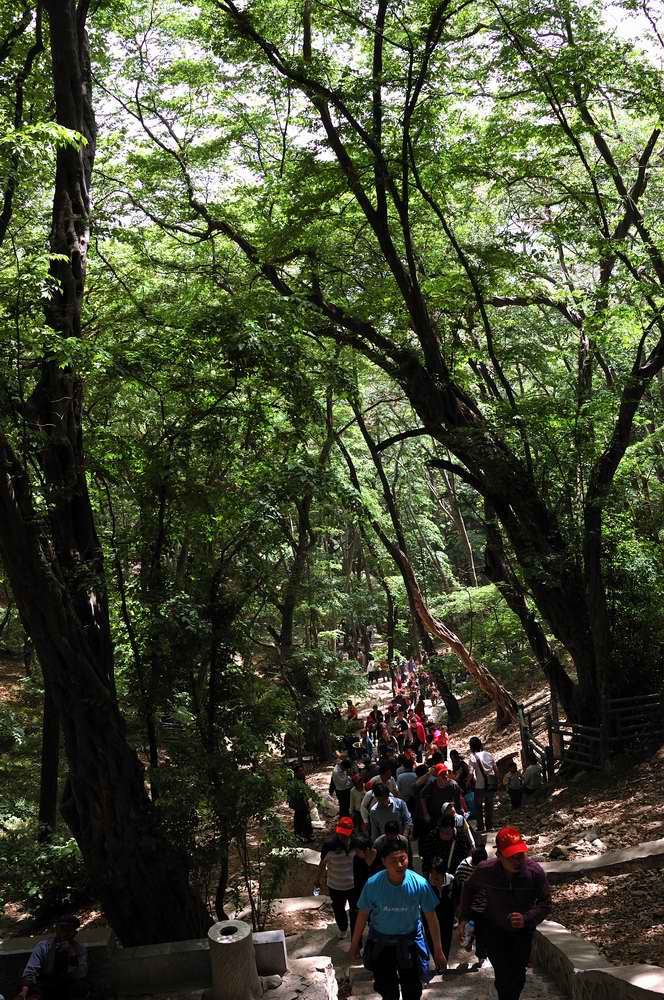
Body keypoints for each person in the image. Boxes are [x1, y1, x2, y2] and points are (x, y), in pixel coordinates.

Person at [459, 827, 551, 1000]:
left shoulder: (534, 873)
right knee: (502, 973)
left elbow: (546, 903)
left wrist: (527, 918)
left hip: (522, 932)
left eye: (520, 855)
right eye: (511, 857)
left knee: (518, 974)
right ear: (499, 855)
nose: (517, 861)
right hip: (494, 929)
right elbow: (469, 886)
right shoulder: (486, 870)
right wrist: (464, 917)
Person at [350, 837, 446, 1000]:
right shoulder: (373, 885)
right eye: (393, 861)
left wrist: (438, 950)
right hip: (382, 944)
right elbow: (362, 915)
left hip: (410, 944)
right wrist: (354, 945)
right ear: (383, 861)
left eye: (403, 859)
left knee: (413, 991)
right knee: (388, 991)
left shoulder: (420, 884)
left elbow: (431, 917)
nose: (400, 865)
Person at [19, 915, 90, 1000]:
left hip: (69, 985)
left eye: (69, 930)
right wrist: (24, 992)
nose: (64, 933)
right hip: (46, 984)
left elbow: (81, 974)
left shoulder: (79, 949)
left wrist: (72, 954)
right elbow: (31, 970)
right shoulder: (43, 946)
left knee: (81, 988)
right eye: (62, 929)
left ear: (74, 933)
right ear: (57, 930)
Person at [316, 817, 359, 939]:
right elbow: (322, 863)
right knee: (339, 910)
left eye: (345, 834)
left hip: (353, 885)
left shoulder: (357, 844)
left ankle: (356, 933)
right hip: (335, 885)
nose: (342, 837)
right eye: (341, 833)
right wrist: (317, 879)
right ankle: (343, 929)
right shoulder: (329, 846)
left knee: (355, 910)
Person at [468, 736, 497, 833]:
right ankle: (490, 826)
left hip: (480, 786)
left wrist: (467, 782)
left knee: (478, 806)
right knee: (489, 805)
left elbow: (471, 773)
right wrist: (497, 781)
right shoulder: (488, 754)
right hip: (491, 784)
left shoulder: (473, 757)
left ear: (471, 747)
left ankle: (480, 826)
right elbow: (496, 770)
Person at [288, 764, 314, 842]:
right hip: (298, 803)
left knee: (302, 817)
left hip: (302, 803)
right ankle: (303, 834)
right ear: (295, 773)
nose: (302, 772)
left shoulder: (302, 779)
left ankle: (305, 834)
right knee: (302, 818)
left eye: (302, 770)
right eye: (300, 771)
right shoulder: (294, 782)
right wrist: (306, 804)